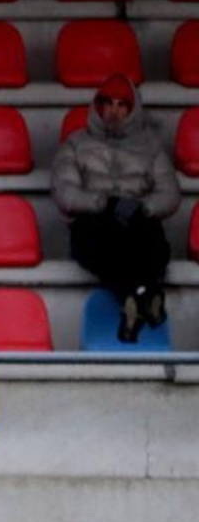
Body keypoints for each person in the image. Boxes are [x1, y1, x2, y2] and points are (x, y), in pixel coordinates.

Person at [51, 73, 180, 342]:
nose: (114, 111)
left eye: (122, 105)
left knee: (153, 240)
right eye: (108, 103)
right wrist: (103, 203)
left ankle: (137, 297)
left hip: (137, 221)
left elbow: (169, 194)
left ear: (132, 110)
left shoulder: (151, 146)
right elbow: (65, 193)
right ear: (98, 107)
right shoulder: (76, 144)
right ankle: (145, 294)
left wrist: (142, 207)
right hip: (94, 222)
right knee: (101, 241)